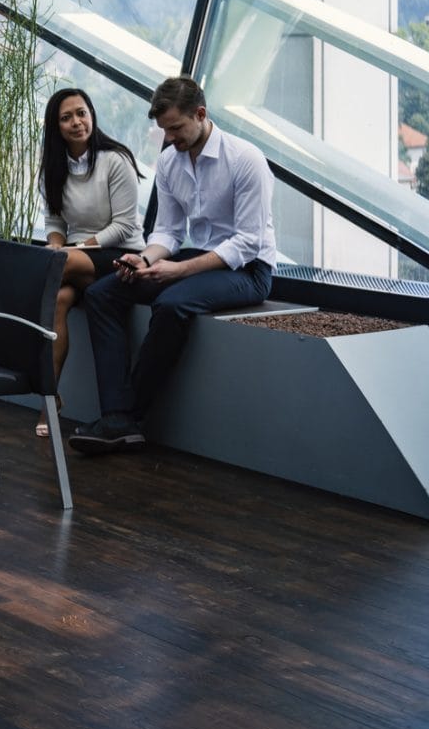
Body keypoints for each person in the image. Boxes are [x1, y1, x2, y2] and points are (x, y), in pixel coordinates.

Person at [68, 75, 275, 455]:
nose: (171, 138)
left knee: (172, 303)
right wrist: (145, 259)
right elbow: (168, 231)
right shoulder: (169, 161)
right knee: (102, 293)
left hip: (249, 270)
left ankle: (127, 416)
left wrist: (176, 271)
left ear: (201, 114)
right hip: (197, 259)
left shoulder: (246, 160)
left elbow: (248, 243)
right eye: (165, 130)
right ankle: (117, 417)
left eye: (177, 128)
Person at [32, 87, 145, 436]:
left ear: (92, 114)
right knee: (59, 302)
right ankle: (50, 402)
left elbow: (125, 224)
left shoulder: (116, 160)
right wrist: (55, 245)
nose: (77, 122)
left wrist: (76, 249)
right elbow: (54, 223)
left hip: (119, 254)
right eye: (67, 117)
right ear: (56, 126)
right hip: (76, 258)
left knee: (50, 268)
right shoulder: (53, 167)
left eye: (81, 113)